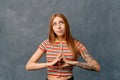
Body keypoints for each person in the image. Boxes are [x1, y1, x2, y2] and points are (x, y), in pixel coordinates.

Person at [25, 13, 100, 80]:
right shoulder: (47, 43)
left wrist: (72, 63)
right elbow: (29, 66)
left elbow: (96, 67)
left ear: (66, 25)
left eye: (61, 23)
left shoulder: (76, 44)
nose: (58, 27)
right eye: (54, 24)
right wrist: (49, 64)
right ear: (52, 28)